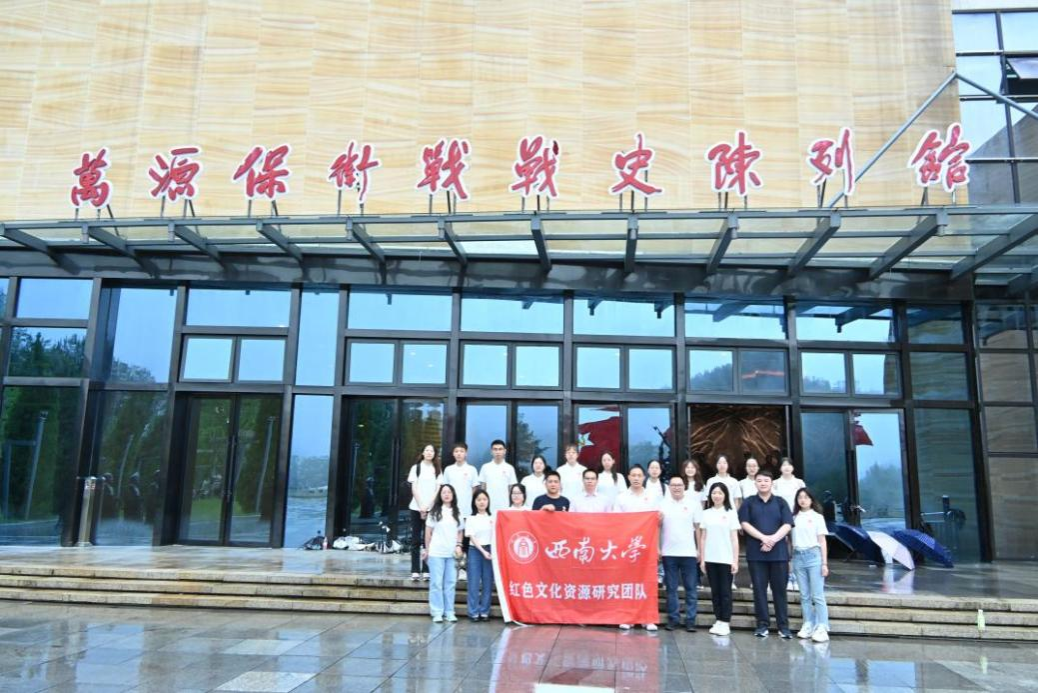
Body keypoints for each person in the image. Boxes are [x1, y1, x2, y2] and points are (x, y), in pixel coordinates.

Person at [739, 469, 794, 638]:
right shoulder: (748, 502)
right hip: (756, 553)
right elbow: (744, 523)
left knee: (780, 591)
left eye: (766, 480)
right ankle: (762, 625)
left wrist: (772, 540)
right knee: (759, 590)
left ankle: (783, 626)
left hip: (779, 554)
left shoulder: (781, 502)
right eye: (759, 480)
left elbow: (787, 524)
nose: (763, 483)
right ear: (755, 483)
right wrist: (763, 538)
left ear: (772, 483)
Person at [613, 465, 660, 632]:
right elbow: (616, 522)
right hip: (627, 546)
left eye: (639, 475)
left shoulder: (651, 497)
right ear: (628, 477)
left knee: (647, 582)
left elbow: (657, 522)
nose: (636, 478)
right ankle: (627, 617)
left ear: (644, 477)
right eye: (633, 475)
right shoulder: (621, 497)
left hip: (646, 546)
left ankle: (647, 618)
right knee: (627, 583)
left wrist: (657, 545)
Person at [659, 475, 702, 632]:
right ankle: (673, 619)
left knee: (691, 588)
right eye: (673, 485)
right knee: (671, 588)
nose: (676, 487)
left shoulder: (693, 504)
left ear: (684, 487)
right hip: (668, 552)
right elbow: (657, 528)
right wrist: (658, 548)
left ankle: (690, 620)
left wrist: (699, 549)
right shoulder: (662, 505)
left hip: (689, 552)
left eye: (679, 485)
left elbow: (698, 528)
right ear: (669, 487)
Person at [699, 482, 740, 636]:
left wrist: (735, 560)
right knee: (715, 591)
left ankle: (725, 621)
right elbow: (703, 538)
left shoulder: (730, 513)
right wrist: (703, 559)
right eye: (714, 493)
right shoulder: (706, 513)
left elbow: (734, 539)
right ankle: (718, 619)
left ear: (725, 496)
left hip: (726, 559)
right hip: (711, 558)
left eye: (720, 493)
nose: (717, 496)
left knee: (725, 592)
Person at [792, 488, 831, 643]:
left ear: (811, 500)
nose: (803, 500)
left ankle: (822, 626)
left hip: (814, 556)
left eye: (806, 497)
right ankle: (808, 623)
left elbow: (822, 541)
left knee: (817, 595)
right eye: (800, 497)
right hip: (798, 556)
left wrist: (824, 563)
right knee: (804, 595)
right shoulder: (793, 517)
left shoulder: (817, 517)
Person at [423, 484, 463, 623]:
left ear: (453, 495)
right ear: (440, 495)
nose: (446, 494)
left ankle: (449, 611)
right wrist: (427, 550)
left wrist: (459, 545)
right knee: (436, 583)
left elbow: (460, 531)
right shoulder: (434, 512)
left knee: (450, 583)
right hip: (436, 552)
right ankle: (437, 612)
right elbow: (428, 533)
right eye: (444, 492)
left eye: (449, 492)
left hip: (452, 553)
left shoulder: (457, 512)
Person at [440, 442, 479, 581]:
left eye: (461, 451)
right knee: (451, 539)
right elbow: (445, 489)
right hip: (451, 511)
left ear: (466, 453)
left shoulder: (472, 470)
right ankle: (451, 568)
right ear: (453, 453)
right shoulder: (448, 470)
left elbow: (474, 489)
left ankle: (463, 569)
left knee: (465, 542)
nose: (459, 454)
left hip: (467, 511)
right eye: (456, 451)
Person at [407, 444, 441, 581]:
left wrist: (428, 507)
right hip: (416, 507)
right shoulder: (416, 468)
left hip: (431, 509)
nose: (429, 452)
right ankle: (415, 570)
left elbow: (438, 490)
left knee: (429, 540)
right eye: (426, 450)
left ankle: (427, 569)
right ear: (422, 452)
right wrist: (421, 506)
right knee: (415, 540)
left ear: (434, 454)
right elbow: (414, 488)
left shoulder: (437, 469)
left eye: (431, 451)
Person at [772, 457, 806, 591]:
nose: (786, 467)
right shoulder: (775, 483)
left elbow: (804, 500)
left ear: (793, 467)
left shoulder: (799, 483)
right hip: (780, 519)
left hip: (797, 518)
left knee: (796, 546)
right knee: (783, 547)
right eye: (783, 465)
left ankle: (795, 577)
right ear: (780, 468)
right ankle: (785, 576)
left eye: (789, 465)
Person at [465, 489, 495, 622]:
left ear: (488, 501)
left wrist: (490, 551)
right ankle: (473, 612)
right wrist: (483, 551)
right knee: (474, 582)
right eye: (479, 500)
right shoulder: (471, 518)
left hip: (490, 550)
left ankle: (484, 611)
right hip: (475, 551)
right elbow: (472, 537)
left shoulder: (493, 518)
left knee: (488, 582)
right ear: (474, 502)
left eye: (484, 499)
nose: (482, 502)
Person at [478, 439, 517, 519]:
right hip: (488, 507)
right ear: (491, 452)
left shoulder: (509, 468)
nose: (497, 452)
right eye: (495, 449)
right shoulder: (485, 467)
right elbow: (483, 489)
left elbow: (511, 489)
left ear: (504, 451)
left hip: (504, 507)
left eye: (500, 449)